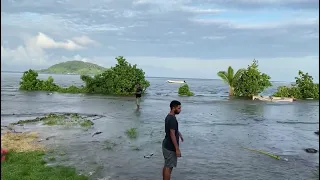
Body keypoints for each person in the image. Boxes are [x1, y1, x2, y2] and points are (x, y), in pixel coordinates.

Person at [162, 100, 184, 180]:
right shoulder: (172, 119)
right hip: (170, 147)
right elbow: (172, 134)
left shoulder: (169, 116)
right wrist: (177, 149)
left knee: (167, 165)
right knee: (169, 167)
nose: (180, 110)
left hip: (166, 144)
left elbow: (172, 129)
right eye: (179, 108)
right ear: (173, 108)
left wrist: (179, 134)